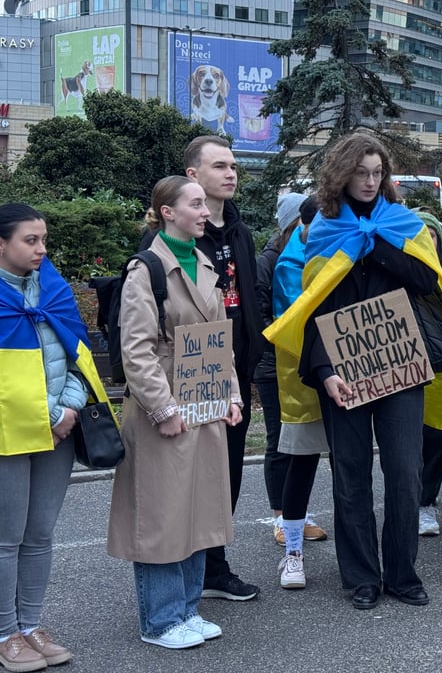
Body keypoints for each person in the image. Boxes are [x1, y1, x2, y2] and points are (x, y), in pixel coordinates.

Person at [265, 131, 442, 609]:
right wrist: (325, 370)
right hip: (342, 369)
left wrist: (373, 243)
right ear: (342, 173)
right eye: (362, 172)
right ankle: (361, 577)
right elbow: (311, 305)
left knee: (404, 473)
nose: (371, 181)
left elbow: (426, 278)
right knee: (350, 474)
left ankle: (402, 572)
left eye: (378, 173)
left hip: (401, 367)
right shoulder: (324, 229)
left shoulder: (404, 222)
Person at [108, 177, 244, 649]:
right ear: (167, 212)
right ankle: (161, 620)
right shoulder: (145, 270)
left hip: (203, 405)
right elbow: (137, 351)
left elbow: (218, 340)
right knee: (162, 516)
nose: (205, 210)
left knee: (198, 511)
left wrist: (231, 395)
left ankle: (186, 609)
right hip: (164, 409)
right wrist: (162, 407)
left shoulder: (204, 261)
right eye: (196, 203)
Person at [141, 136, 262, 601]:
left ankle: (212, 568)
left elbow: (247, 296)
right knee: (183, 479)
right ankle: (179, 583)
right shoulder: (168, 240)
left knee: (224, 475)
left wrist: (250, 355)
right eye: (219, 166)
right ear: (193, 175)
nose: (231, 173)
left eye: (233, 165)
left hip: (230, 375)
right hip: (186, 377)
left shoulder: (240, 231)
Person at [0, 203, 107, 671]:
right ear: (1, 244)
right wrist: (47, 412)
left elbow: (77, 351)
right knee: (6, 539)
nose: (42, 249)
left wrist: (69, 406)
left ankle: (30, 626)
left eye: (44, 240)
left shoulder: (55, 290)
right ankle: (4, 634)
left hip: (58, 428)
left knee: (40, 535)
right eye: (30, 240)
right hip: (9, 433)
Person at [259, 196, 331, 590]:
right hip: (302, 378)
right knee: (299, 461)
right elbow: (299, 319)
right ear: (301, 226)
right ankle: (293, 552)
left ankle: (356, 552)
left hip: (342, 374)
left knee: (349, 467)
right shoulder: (289, 263)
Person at [416, 208, 442, 537]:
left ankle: (427, 500)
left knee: (438, 438)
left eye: (432, 235)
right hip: (410, 368)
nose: (427, 240)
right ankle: (411, 499)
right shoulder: (402, 272)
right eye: (420, 234)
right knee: (408, 440)